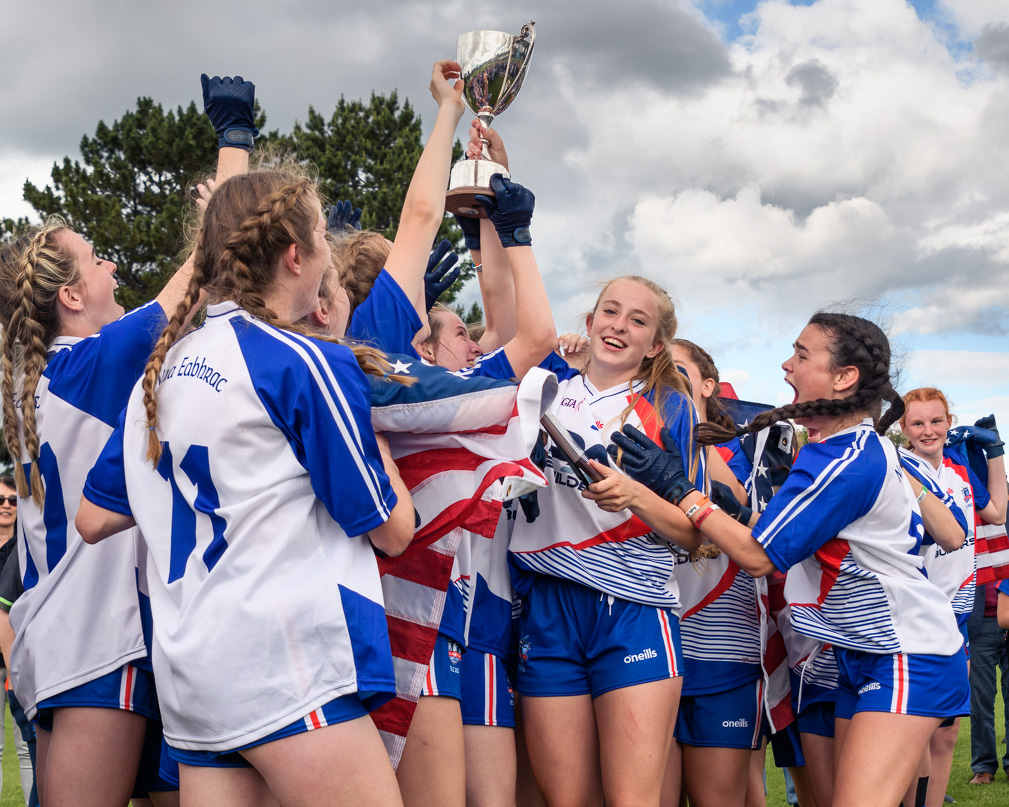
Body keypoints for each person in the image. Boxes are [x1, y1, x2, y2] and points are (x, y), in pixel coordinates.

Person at [76, 158, 416, 805]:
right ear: (295, 256)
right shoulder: (303, 360)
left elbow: (93, 518)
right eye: (321, 233)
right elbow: (393, 529)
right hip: (285, 665)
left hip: (195, 679)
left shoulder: (161, 369)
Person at [611, 311, 970, 807]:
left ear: (844, 378)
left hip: (906, 653)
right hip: (869, 653)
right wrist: (726, 506)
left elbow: (760, 558)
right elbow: (775, 534)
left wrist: (680, 491)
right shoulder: (838, 447)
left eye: (802, 355)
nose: (786, 365)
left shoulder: (845, 458)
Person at [507, 275, 703, 807]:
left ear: (655, 344)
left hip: (633, 609)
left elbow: (695, 534)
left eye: (638, 320)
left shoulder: (671, 407)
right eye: (609, 312)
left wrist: (635, 494)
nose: (619, 326)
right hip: (545, 607)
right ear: (590, 322)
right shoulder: (543, 382)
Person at [899, 390, 1007, 801]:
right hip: (912, 619)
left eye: (936, 421)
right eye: (918, 423)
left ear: (950, 421)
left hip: (956, 619)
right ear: (904, 429)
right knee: (914, 735)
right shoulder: (899, 468)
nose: (929, 431)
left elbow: (997, 511)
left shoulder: (958, 469)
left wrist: (994, 451)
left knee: (946, 735)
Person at [0, 476, 35, 806]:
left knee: (27, 747)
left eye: (12, 500)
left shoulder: (27, 548)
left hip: (19, 662)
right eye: (1, 499)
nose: (7, 505)